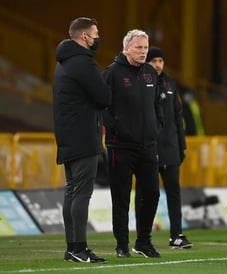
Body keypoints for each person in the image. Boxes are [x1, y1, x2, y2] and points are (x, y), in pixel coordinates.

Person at [52, 17, 111, 263]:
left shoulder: (63, 62)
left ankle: (71, 248)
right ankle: (79, 248)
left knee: (71, 191)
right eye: (95, 34)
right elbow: (103, 97)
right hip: (84, 136)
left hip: (67, 135)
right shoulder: (84, 63)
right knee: (82, 193)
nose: (97, 38)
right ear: (84, 37)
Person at [102, 29, 164, 258]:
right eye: (138, 47)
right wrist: (116, 126)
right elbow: (101, 106)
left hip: (148, 146)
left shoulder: (150, 73)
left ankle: (143, 242)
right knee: (121, 197)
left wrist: (157, 128)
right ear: (126, 48)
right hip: (121, 147)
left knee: (152, 194)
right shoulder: (111, 73)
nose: (143, 52)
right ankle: (121, 245)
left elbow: (157, 105)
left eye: (145, 48)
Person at [146, 46, 193, 249]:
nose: (157, 64)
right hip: (149, 148)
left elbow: (177, 117)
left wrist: (181, 146)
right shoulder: (143, 83)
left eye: (160, 61)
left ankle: (177, 235)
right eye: (153, 61)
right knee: (148, 193)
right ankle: (143, 237)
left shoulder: (170, 83)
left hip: (171, 148)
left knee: (174, 193)